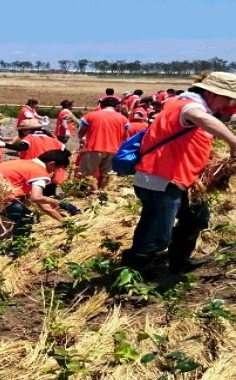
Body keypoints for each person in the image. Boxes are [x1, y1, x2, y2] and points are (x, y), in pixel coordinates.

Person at [121, 71, 236, 274]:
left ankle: (179, 261)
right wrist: (233, 142)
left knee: (197, 218)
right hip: (160, 178)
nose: (227, 104)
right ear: (212, 93)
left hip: (182, 179)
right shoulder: (189, 106)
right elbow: (197, 116)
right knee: (157, 233)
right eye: (226, 98)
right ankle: (134, 273)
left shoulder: (188, 104)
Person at [0, 150, 73, 238]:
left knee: (21, 205)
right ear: (52, 164)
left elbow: (43, 205)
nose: (55, 172)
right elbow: (36, 197)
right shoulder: (39, 172)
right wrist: (54, 201)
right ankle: (16, 249)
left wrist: (64, 221)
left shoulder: (27, 164)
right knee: (25, 217)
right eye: (58, 168)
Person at [77, 97, 129, 194]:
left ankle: (95, 191)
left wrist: (82, 139)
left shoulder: (90, 116)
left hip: (94, 147)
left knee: (88, 172)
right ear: (117, 106)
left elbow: (81, 132)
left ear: (101, 105)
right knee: (106, 173)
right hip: (114, 149)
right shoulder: (123, 119)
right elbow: (125, 137)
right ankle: (101, 192)